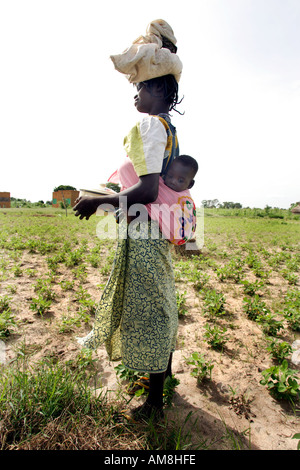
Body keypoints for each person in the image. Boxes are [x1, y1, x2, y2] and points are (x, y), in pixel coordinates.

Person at [74, 20, 188, 421]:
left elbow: (148, 191)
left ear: (157, 87)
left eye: (140, 87)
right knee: (156, 303)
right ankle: (158, 380)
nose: (135, 95)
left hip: (144, 231)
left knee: (152, 309)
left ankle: (155, 404)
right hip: (149, 231)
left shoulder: (149, 125)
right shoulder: (168, 128)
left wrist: (98, 203)